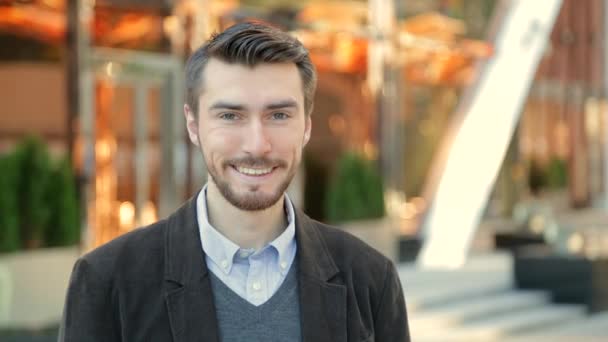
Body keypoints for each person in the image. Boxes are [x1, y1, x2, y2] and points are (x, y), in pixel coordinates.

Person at [59, 21, 410, 342]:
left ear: (307, 126)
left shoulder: (370, 279)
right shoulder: (107, 281)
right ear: (193, 125)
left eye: (279, 115)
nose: (257, 144)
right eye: (230, 115)